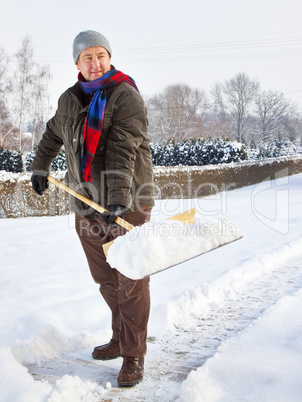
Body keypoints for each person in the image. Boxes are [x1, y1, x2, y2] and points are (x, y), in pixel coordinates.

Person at [30, 30, 155, 387]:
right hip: (86, 204)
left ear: (110, 58)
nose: (96, 62)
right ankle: (119, 338)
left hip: (127, 204)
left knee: (130, 282)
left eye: (101, 55)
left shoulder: (125, 96)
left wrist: (117, 199)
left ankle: (134, 355)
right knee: (106, 280)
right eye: (88, 57)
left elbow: (123, 149)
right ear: (77, 63)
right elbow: (54, 132)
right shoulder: (69, 99)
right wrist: (41, 166)